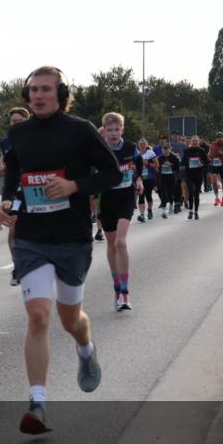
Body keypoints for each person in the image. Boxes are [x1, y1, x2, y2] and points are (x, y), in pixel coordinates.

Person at [0, 66, 119, 434]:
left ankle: (86, 349)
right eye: (33, 90)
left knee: (71, 320)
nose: (38, 95)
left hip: (71, 238)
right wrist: (4, 203)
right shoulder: (18, 133)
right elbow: (13, 178)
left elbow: (112, 174)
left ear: (60, 93)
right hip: (32, 238)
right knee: (38, 316)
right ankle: (38, 403)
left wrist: (73, 187)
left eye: (46, 89)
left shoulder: (80, 130)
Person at [98, 113, 143, 311]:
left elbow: (139, 165)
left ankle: (125, 292)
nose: (114, 133)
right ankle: (116, 288)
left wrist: (139, 180)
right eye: (110, 130)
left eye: (117, 129)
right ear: (104, 131)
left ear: (122, 129)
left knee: (120, 241)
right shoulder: (100, 150)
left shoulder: (131, 147)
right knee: (111, 245)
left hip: (126, 196)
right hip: (107, 199)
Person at [0, 107, 31, 285]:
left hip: (38, 190)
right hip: (18, 191)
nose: (17, 124)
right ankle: (17, 264)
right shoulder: (6, 143)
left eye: (20, 121)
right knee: (13, 227)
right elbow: (10, 168)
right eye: (13, 122)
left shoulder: (39, 137)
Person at [182, 135, 209, 219]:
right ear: (191, 142)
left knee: (196, 194)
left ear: (198, 142)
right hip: (189, 174)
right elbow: (182, 161)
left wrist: (202, 164)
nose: (195, 142)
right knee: (190, 193)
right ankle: (190, 211)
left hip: (198, 174)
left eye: (196, 141)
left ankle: (196, 212)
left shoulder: (202, 150)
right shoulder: (187, 151)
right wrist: (182, 165)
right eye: (193, 141)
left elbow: (207, 161)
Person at [136, 137, 157, 222]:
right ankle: (142, 214)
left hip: (149, 177)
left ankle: (149, 209)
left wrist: (147, 163)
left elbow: (157, 165)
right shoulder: (136, 154)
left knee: (148, 195)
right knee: (141, 196)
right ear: (138, 145)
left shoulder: (151, 153)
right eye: (141, 144)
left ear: (147, 145)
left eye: (144, 144)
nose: (142, 145)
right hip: (139, 178)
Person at [156, 144, 181, 218]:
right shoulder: (160, 158)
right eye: (164, 149)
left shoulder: (174, 157)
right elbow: (157, 167)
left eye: (166, 149)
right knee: (164, 192)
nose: (165, 150)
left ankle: (171, 204)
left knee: (170, 192)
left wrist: (171, 165)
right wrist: (158, 168)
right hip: (163, 177)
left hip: (171, 177)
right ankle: (163, 210)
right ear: (162, 150)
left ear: (169, 149)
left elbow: (178, 168)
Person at [208, 132, 223, 207]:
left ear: (222, 138)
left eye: (221, 137)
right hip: (214, 164)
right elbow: (209, 153)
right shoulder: (212, 144)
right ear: (216, 138)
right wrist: (209, 156)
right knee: (214, 181)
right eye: (218, 137)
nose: (219, 139)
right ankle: (217, 198)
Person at [168, 131, 187, 213]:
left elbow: (186, 156)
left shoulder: (183, 145)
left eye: (176, 136)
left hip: (180, 168)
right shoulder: (169, 145)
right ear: (172, 137)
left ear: (179, 137)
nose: (175, 137)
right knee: (173, 186)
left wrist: (184, 164)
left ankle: (178, 203)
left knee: (179, 185)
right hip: (171, 168)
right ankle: (175, 203)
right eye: (173, 136)